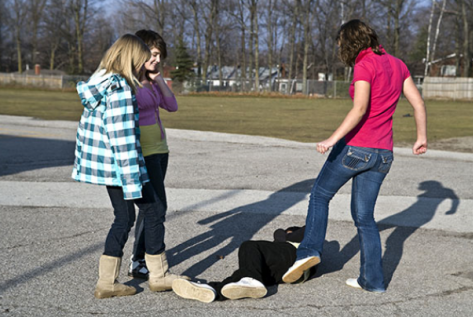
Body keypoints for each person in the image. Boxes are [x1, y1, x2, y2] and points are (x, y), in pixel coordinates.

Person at [282, 19, 427, 293]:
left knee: (320, 195)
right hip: (383, 155)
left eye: (341, 44)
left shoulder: (364, 64)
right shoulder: (398, 64)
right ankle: (372, 281)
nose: (340, 49)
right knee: (365, 218)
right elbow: (418, 103)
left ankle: (309, 250)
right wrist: (421, 137)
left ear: (350, 42)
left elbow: (359, 109)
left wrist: (331, 139)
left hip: (356, 149)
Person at [72, 34, 182, 299]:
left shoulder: (101, 80)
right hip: (123, 167)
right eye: (143, 59)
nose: (146, 64)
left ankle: (107, 282)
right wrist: (132, 179)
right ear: (132, 58)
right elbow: (122, 140)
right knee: (154, 211)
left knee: (123, 218)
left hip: (108, 167)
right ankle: (159, 275)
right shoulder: (120, 89)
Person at [127, 29, 180, 281]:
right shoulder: (128, 82)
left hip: (160, 151)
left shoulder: (150, 81)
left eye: (160, 55)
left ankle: (143, 258)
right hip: (144, 153)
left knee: (152, 208)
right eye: (154, 54)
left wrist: (159, 80)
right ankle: (140, 260)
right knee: (155, 207)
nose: (157, 59)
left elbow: (171, 106)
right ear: (140, 52)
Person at [171, 226, 315, 303]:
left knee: (249, 246)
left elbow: (278, 233)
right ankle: (213, 290)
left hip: (291, 255)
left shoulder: (297, 238)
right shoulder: (282, 246)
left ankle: (252, 280)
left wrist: (287, 232)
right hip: (283, 273)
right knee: (242, 277)